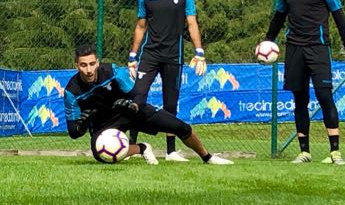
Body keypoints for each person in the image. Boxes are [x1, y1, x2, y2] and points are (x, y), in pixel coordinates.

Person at [263, 0, 345, 165]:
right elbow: (278, 18)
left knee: (325, 97)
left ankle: (335, 152)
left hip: (318, 48)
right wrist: (268, 40)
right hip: (294, 49)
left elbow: (340, 18)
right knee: (300, 100)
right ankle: (304, 152)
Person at [64, 43, 232, 165]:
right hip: (105, 125)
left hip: (130, 112)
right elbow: (73, 132)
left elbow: (137, 93)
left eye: (92, 64)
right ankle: (142, 148)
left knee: (181, 128)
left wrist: (133, 106)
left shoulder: (112, 72)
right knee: (98, 152)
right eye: (83, 65)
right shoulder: (72, 91)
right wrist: (82, 126)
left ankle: (207, 157)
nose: (89, 70)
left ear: (98, 63)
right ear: (76, 66)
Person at [127, 0, 207, 162]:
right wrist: (132, 56)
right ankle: (131, 148)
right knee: (138, 98)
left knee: (170, 104)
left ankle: (171, 152)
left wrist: (199, 53)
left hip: (174, 55)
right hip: (150, 55)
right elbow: (141, 26)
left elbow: (192, 24)